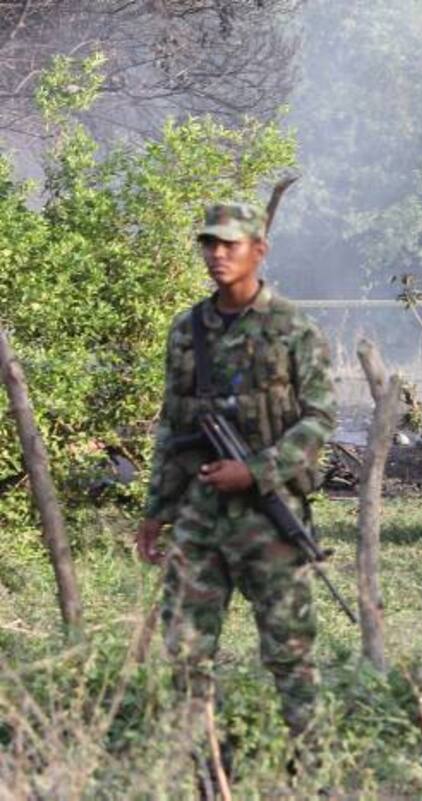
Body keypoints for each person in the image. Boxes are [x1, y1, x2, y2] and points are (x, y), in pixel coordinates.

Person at [134, 201, 336, 745]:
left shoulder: (293, 329)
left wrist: (255, 471)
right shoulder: (186, 330)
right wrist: (156, 511)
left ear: (258, 250)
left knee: (289, 650)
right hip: (199, 518)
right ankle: (204, 763)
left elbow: (319, 418)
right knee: (186, 652)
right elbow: (172, 427)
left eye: (231, 244)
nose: (218, 255)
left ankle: (311, 763)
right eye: (210, 244)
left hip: (270, 517)